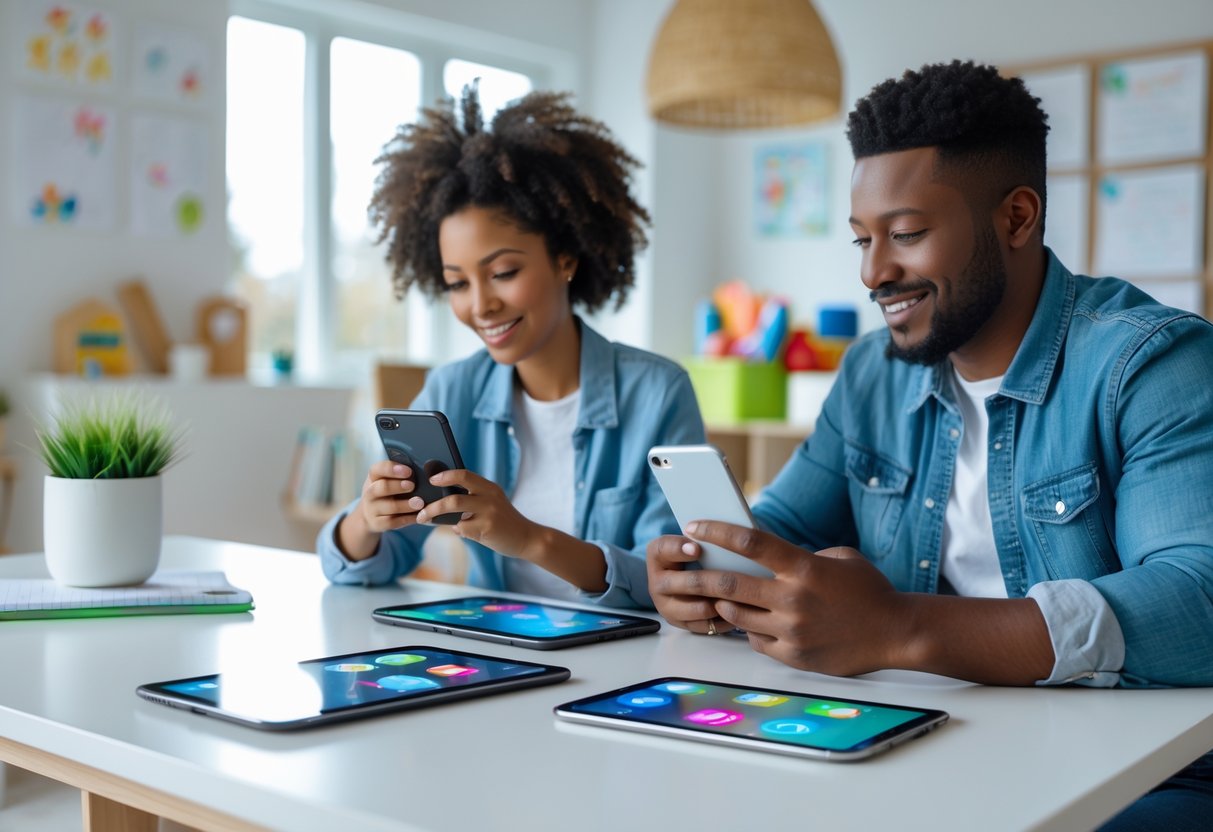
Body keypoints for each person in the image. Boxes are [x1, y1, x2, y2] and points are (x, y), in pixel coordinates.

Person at [646, 60, 1213, 826]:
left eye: (906, 234)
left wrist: (897, 628)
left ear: (1015, 219)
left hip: (1144, 775)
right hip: (926, 742)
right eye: (861, 240)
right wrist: (708, 573)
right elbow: (785, 528)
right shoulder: (873, 371)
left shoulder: (1150, 363)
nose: (874, 272)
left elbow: (1194, 600)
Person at [319, 85, 704, 609]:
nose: (480, 306)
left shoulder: (657, 393)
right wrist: (366, 521)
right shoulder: (452, 391)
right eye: (457, 283)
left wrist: (528, 538)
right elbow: (364, 566)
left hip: (627, 663)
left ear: (565, 257)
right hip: (504, 654)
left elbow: (670, 578)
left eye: (503, 272)